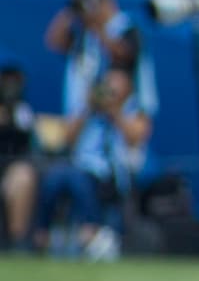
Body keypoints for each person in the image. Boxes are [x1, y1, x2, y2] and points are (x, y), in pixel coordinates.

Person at [32, 66, 151, 261]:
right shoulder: (88, 111)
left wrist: (114, 111)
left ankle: (90, 234)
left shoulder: (135, 111)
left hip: (112, 176)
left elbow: (135, 137)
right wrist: (87, 107)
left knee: (78, 179)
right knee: (55, 177)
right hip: (79, 168)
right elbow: (66, 139)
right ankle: (41, 237)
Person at [0, 64, 37, 250]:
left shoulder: (22, 111)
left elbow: (28, 142)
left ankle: (17, 244)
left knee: (22, 178)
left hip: (10, 168)